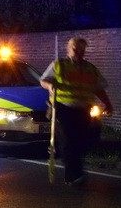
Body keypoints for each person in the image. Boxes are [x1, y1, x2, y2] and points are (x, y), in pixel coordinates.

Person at [40, 37, 114, 186]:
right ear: (68, 49)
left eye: (81, 49)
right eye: (75, 49)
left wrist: (108, 104)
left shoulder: (90, 68)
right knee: (70, 140)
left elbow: (98, 88)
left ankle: (73, 167)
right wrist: (50, 86)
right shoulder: (59, 65)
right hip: (63, 109)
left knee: (86, 139)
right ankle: (73, 175)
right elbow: (44, 80)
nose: (78, 52)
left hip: (84, 110)